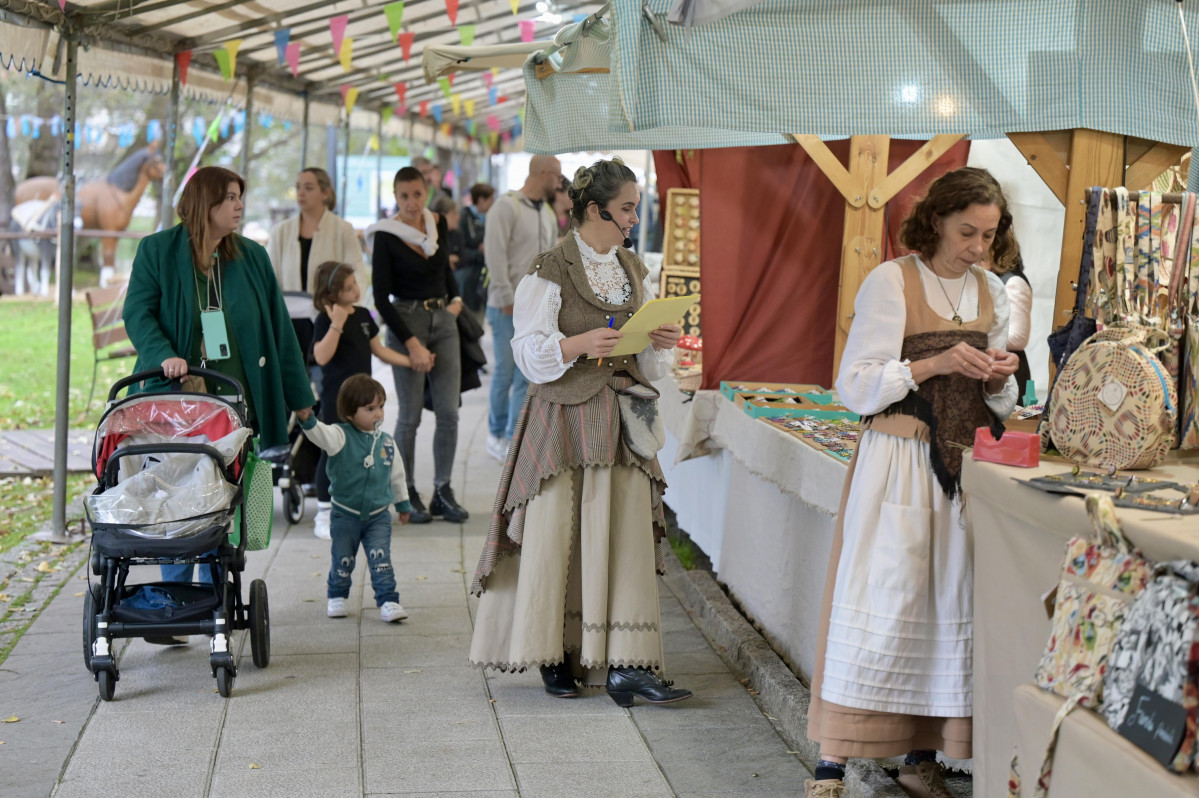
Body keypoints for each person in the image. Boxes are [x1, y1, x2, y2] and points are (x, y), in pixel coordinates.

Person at [805, 167, 1020, 798]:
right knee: (885, 597)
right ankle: (834, 760)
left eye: (988, 234)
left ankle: (921, 756)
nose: (978, 247)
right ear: (935, 221)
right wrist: (935, 362)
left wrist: (998, 377)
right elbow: (856, 386)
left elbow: (1001, 403)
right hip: (898, 459)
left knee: (944, 601)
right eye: (967, 231)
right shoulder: (891, 280)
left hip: (961, 472)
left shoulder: (993, 292)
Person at [468, 157, 693, 708]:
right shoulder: (550, 269)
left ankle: (625, 665)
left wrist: (656, 340)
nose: (634, 220)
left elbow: (649, 365)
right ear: (594, 210)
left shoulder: (634, 268)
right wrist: (574, 346)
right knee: (558, 537)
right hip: (563, 420)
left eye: (636, 209)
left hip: (622, 421)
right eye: (626, 209)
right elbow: (524, 352)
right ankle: (554, 653)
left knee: (621, 537)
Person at [123, 165, 314, 640]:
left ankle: (210, 600)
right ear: (203, 202)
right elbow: (138, 311)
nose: (238, 205)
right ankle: (174, 600)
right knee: (181, 492)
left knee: (222, 495)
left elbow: (280, 329)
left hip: (236, 401)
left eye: (239, 197)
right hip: (178, 400)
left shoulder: (251, 257)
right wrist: (162, 352)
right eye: (229, 197)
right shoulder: (158, 251)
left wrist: (301, 400)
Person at [367, 166, 469, 525]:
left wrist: (455, 303)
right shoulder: (386, 234)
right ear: (395, 197)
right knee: (408, 416)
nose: (411, 202)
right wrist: (411, 345)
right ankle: (405, 492)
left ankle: (443, 490)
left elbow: (445, 271)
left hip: (442, 319)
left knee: (449, 412)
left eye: (417, 194)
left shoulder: (436, 222)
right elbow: (380, 298)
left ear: (426, 193)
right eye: (404, 196)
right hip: (404, 320)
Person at [308, 260, 413, 540]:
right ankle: (323, 512)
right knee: (331, 451)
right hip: (336, 399)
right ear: (332, 294)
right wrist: (337, 325)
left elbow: (379, 350)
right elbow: (321, 357)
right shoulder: (325, 319)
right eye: (349, 288)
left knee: (363, 451)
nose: (356, 290)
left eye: (355, 284)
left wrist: (411, 361)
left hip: (363, 399)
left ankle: (355, 507)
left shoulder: (365, 315)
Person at [296, 375, 412, 623]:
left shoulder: (387, 443)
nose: (378, 414)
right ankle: (337, 594)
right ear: (349, 413)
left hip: (378, 515)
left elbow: (397, 475)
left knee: (381, 560)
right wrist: (308, 419)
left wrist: (402, 503)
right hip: (345, 514)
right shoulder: (340, 436)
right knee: (343, 559)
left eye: (381, 406)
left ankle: (388, 600)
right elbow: (319, 434)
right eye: (370, 409)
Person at [482, 154, 561, 462]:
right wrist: (504, 298)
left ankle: (517, 435)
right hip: (507, 307)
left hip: (534, 309)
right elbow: (495, 256)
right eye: (556, 177)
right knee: (505, 371)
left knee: (525, 373)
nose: (558, 183)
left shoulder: (547, 213)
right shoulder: (506, 206)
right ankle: (496, 433)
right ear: (543, 174)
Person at [266, 167, 367, 298]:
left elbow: (358, 276)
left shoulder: (343, 229)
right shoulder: (280, 232)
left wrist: (347, 311)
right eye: (298, 187)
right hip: (288, 315)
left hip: (332, 315)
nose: (301, 193)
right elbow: (269, 279)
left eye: (308, 188)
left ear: (325, 193)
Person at [995, 253, 1033, 401]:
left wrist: (975, 336)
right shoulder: (993, 279)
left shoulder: (1013, 282)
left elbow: (1018, 338)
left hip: (1009, 373)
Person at [458, 183, 495, 315]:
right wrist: (480, 252)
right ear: (481, 200)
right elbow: (459, 251)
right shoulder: (463, 218)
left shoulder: (491, 218)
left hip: (485, 277)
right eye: (491, 199)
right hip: (469, 278)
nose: (493, 203)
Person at [430, 195, 463, 271]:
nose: (458, 217)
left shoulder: (457, 234)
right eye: (454, 214)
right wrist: (449, 259)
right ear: (442, 215)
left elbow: (463, 259)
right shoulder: (432, 235)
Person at [552, 176, 572, 241]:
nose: (573, 198)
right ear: (558, 195)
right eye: (570, 194)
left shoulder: (576, 218)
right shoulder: (544, 216)